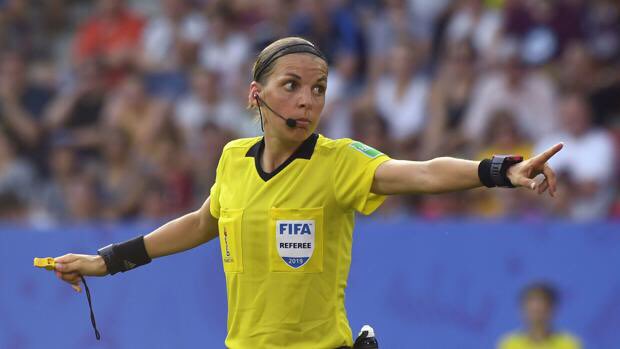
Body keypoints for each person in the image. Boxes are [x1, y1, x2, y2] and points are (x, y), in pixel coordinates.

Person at [51, 37, 564, 349]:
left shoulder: (339, 161)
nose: (309, 99)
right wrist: (107, 260)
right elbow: (203, 222)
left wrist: (499, 170)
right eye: (292, 85)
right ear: (256, 95)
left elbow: (424, 173)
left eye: (319, 88)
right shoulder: (233, 157)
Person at [497, 283, 582, 349]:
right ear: (522, 311)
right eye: (532, 310)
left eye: (540, 310)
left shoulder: (568, 344)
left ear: (552, 310)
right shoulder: (509, 344)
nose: (536, 317)